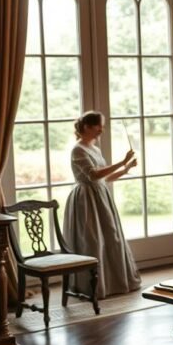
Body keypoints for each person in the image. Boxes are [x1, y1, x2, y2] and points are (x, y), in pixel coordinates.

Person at [62, 110, 141, 298]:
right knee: (92, 240)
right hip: (86, 200)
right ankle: (93, 286)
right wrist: (122, 161)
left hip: (101, 196)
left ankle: (112, 282)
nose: (101, 130)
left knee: (111, 237)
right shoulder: (78, 149)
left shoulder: (94, 148)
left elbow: (104, 178)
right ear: (87, 127)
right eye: (99, 126)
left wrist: (126, 168)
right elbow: (93, 174)